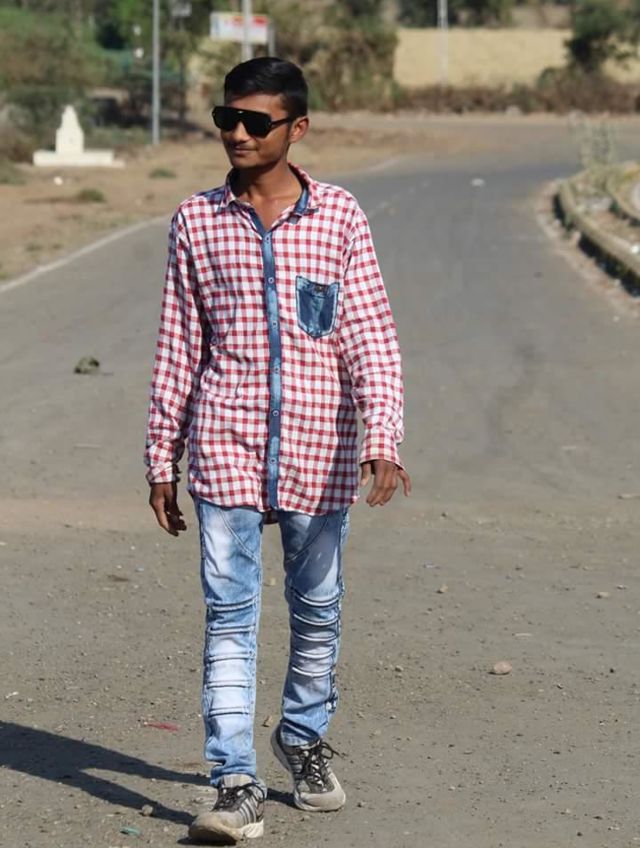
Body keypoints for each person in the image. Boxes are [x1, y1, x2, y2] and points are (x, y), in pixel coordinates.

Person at [145, 56, 410, 845]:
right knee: (229, 617)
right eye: (227, 118)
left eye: (256, 121)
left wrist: (382, 436)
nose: (238, 133)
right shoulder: (196, 222)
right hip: (223, 446)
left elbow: (369, 334)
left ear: (296, 129)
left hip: (318, 453)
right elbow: (178, 344)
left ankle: (302, 738)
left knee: (317, 611)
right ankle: (234, 782)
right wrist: (161, 456)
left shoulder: (339, 217)